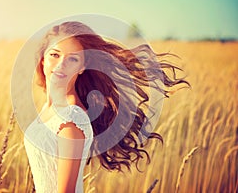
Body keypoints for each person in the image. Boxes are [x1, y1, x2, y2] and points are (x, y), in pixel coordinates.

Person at [23, 21, 189, 193]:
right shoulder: (49, 108)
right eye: (55, 55)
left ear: (82, 67)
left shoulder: (71, 121)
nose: (61, 64)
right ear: (43, 59)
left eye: (72, 58)